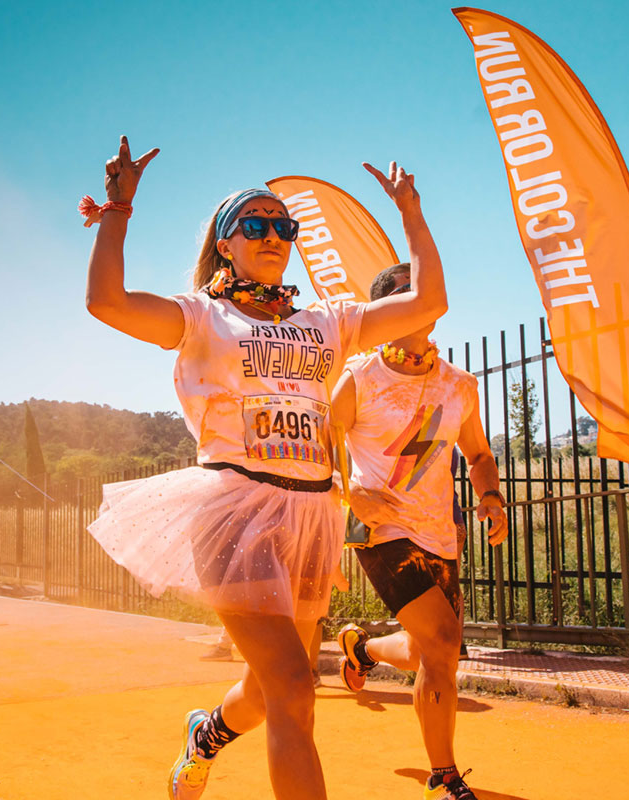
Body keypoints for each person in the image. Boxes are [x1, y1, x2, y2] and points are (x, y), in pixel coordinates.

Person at [83, 136, 447, 800]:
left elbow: (427, 304)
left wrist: (412, 215)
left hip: (310, 515)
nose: (274, 235)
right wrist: (117, 210)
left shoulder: (327, 321)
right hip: (236, 510)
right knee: (294, 688)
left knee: (270, 684)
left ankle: (206, 734)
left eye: (285, 226)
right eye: (256, 225)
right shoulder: (201, 316)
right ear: (226, 244)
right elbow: (106, 301)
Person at [330, 263, 509, 800]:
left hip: (441, 532)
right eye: (409, 294)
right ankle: (444, 776)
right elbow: (321, 445)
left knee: (434, 653)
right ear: (386, 312)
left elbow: (479, 455)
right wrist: (348, 492)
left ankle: (364, 649)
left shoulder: (459, 385)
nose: (422, 301)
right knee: (444, 641)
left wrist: (491, 496)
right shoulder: (359, 378)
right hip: (380, 529)